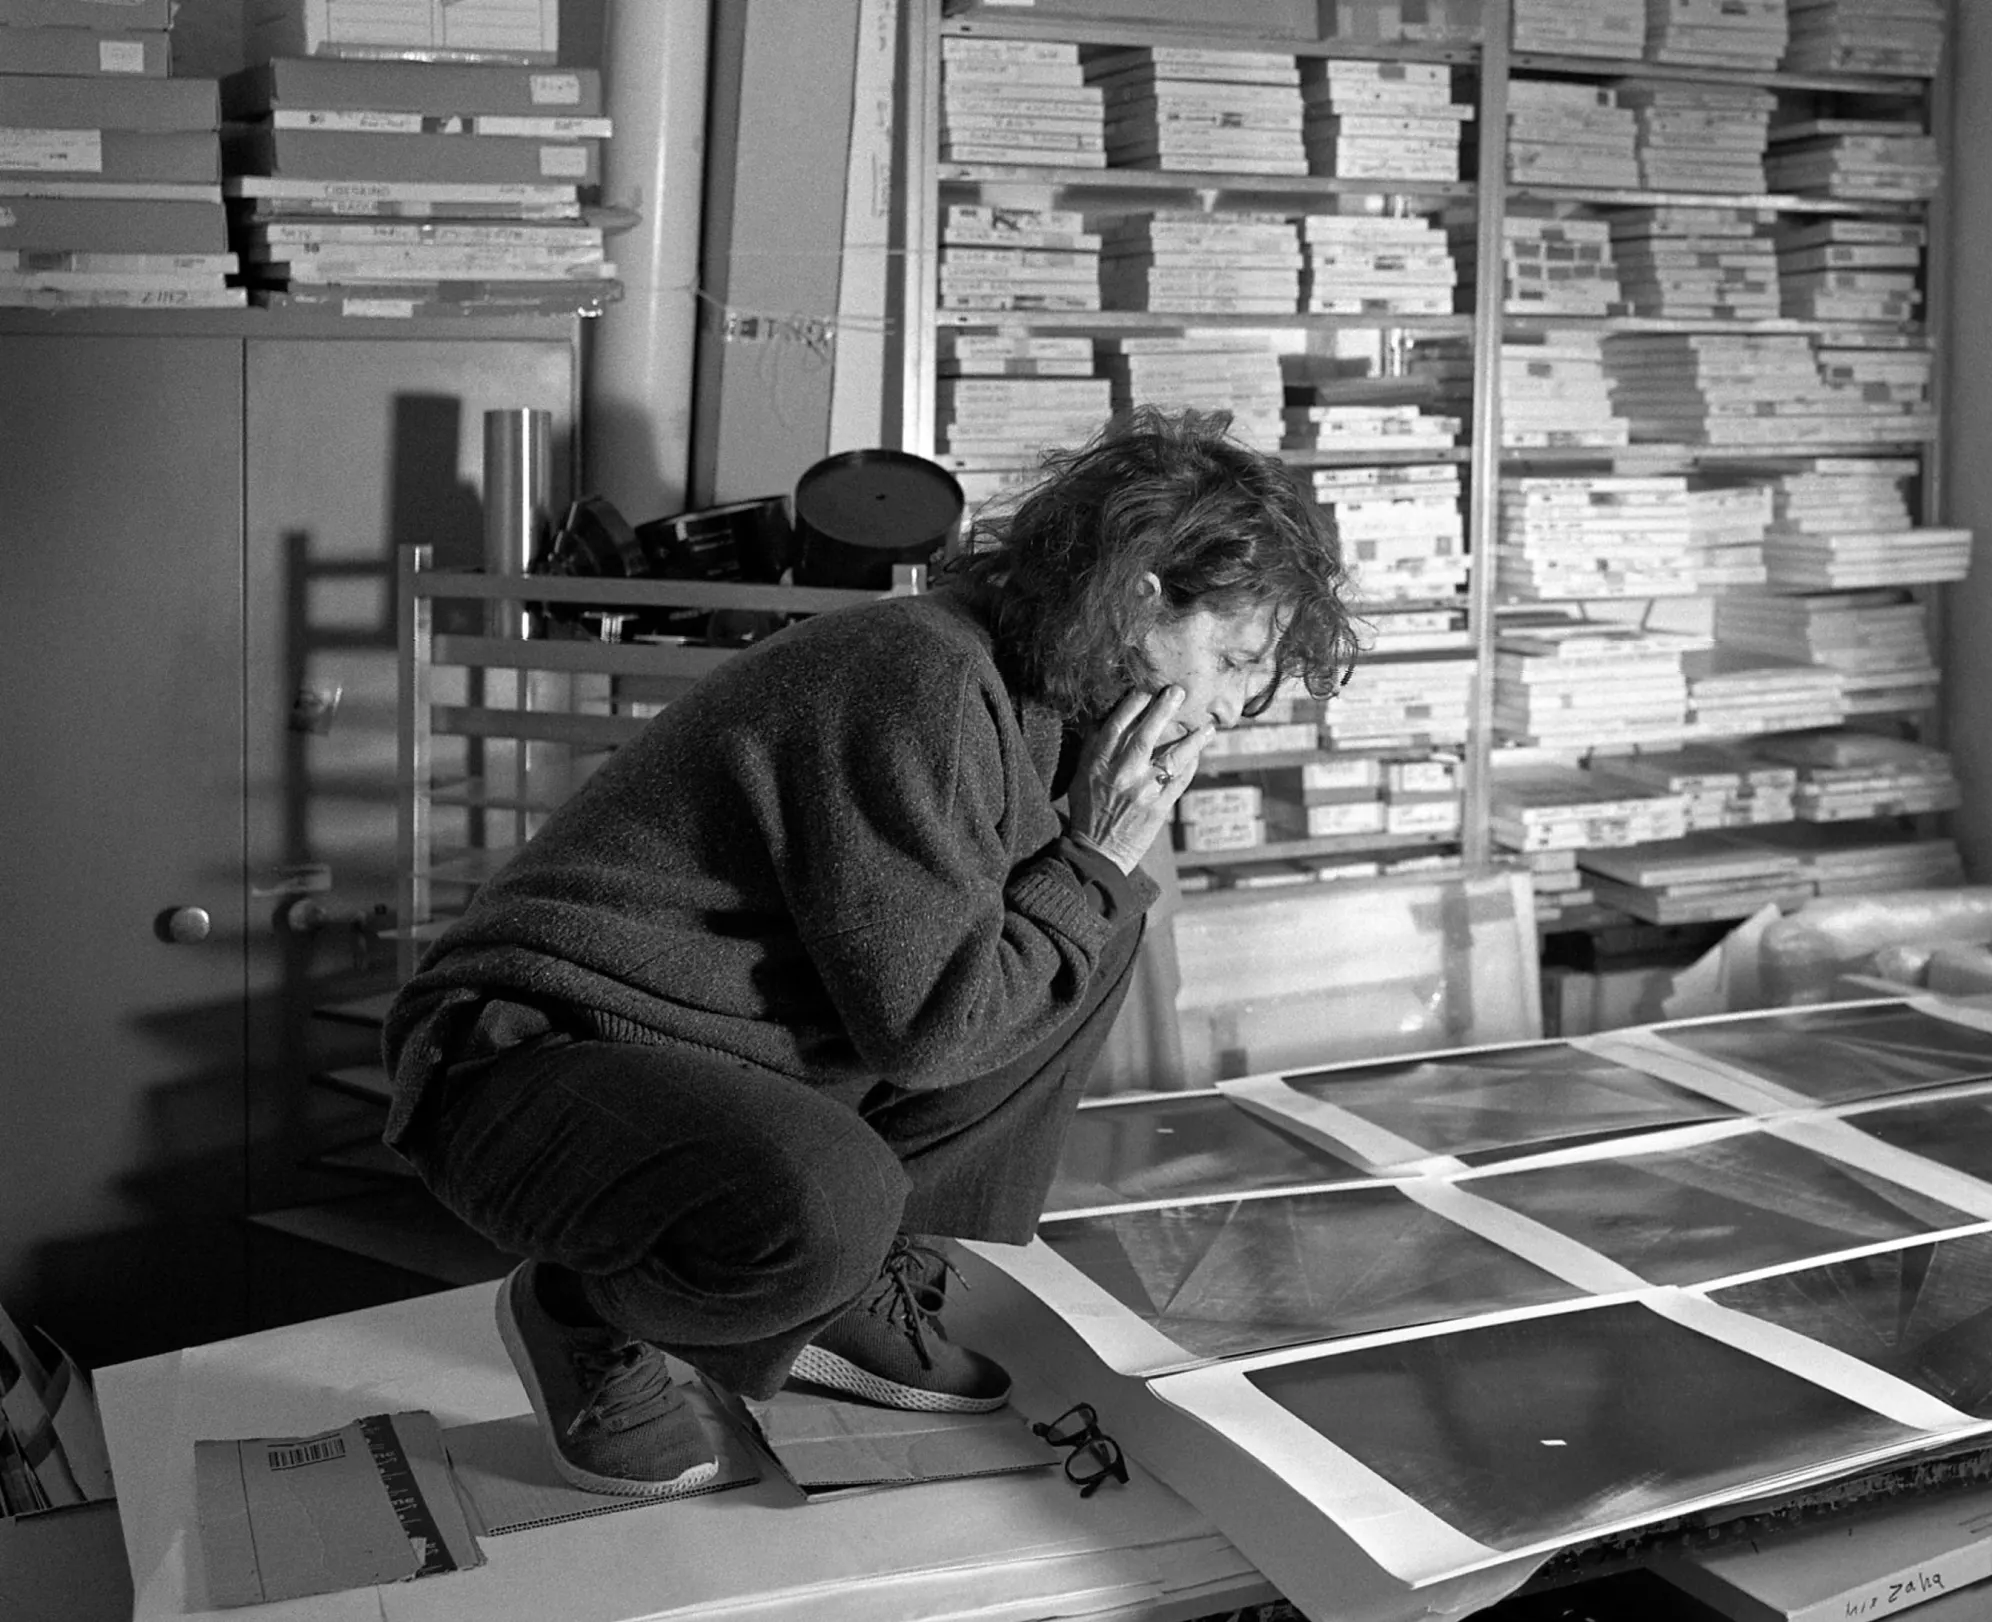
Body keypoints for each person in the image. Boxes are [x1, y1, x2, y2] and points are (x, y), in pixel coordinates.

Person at [379, 409, 1358, 1496]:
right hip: (528, 1055)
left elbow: (989, 982)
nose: (1228, 707)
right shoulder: (921, 676)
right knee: (829, 1196)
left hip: (723, 1055)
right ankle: (579, 1308)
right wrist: (1090, 860)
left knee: (1099, 916)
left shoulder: (1050, 707)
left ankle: (853, 1290)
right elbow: (935, 1027)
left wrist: (1096, 871)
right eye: (1233, 659)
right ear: (1138, 600)